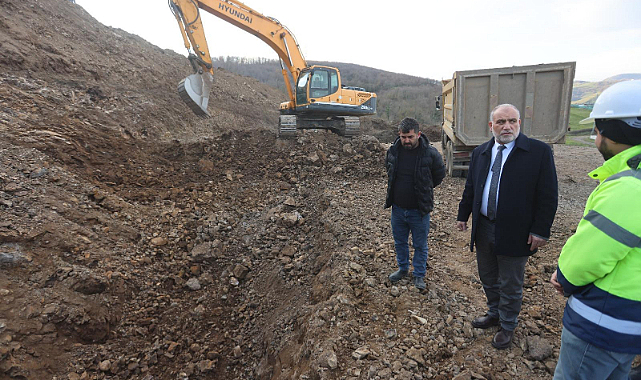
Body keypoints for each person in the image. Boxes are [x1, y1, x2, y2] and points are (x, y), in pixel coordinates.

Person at [550, 80, 641, 379]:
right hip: (630, 328)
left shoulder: (628, 188)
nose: (595, 138)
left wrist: (564, 277)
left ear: (613, 132)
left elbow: (585, 259)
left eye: (597, 130)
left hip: (604, 327)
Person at [456, 104, 558, 349]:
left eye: (512, 121)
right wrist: (463, 215)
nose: (507, 126)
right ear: (491, 126)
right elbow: (472, 187)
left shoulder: (538, 152)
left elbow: (548, 195)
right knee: (488, 276)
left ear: (519, 123)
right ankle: (494, 313)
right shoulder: (480, 152)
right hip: (484, 228)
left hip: (516, 231)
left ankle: (508, 324)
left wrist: (540, 230)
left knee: (511, 283)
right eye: (500, 122)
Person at [385, 117, 445, 290]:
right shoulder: (393, 152)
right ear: (399, 135)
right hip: (397, 209)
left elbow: (439, 174)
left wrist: (424, 188)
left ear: (418, 134)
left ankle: (419, 275)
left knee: (420, 244)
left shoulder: (430, 153)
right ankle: (403, 268)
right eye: (403, 137)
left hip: (419, 210)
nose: (407, 141)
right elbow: (388, 170)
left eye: (410, 137)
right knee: (400, 242)